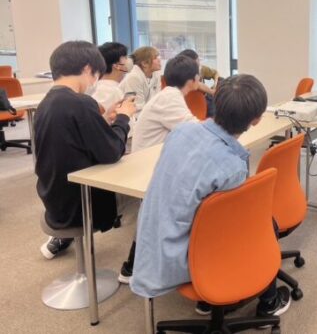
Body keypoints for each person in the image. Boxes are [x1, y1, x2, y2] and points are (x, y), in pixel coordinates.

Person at [131, 74, 291, 318]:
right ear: (257, 120)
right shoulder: (232, 166)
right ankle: (268, 303)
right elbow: (226, 226)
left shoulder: (181, 131)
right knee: (264, 223)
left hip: (149, 245)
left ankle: (210, 300)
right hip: (184, 258)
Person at [36, 41, 136, 259]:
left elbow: (76, 139)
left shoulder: (47, 103)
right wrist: (124, 117)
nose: (93, 82)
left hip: (54, 200)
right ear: (87, 69)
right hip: (82, 205)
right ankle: (131, 266)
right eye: (95, 76)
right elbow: (112, 152)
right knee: (145, 196)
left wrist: (103, 119)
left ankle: (62, 240)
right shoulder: (81, 103)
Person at [118, 55, 202, 284]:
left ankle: (135, 265)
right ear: (193, 79)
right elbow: (196, 131)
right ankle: (132, 267)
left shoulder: (170, 94)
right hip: (150, 168)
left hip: (157, 161)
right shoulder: (170, 98)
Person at [91, 42, 132, 115]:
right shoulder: (109, 90)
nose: (129, 60)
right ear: (116, 65)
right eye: (125, 57)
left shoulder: (107, 87)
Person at [177, 49, 220, 117]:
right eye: (196, 62)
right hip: (191, 101)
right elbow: (197, 84)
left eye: (198, 60)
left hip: (205, 97)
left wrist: (215, 84)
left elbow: (215, 73)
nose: (199, 64)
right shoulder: (181, 72)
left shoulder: (201, 69)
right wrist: (211, 91)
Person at [119, 46, 162, 113]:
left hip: (146, 114)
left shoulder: (156, 74)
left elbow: (157, 100)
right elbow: (137, 107)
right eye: (155, 58)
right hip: (130, 115)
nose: (159, 59)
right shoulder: (134, 77)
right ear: (144, 63)